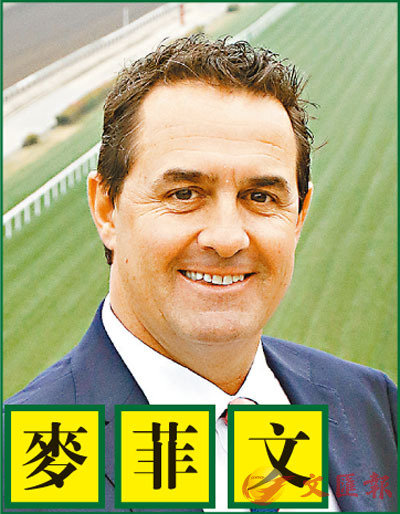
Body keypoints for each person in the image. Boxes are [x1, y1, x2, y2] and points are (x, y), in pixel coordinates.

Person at [6, 35, 397, 512]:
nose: (227, 238)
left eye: (261, 197)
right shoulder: (20, 465)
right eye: (184, 194)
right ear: (106, 208)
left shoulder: (371, 404)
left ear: (299, 215)